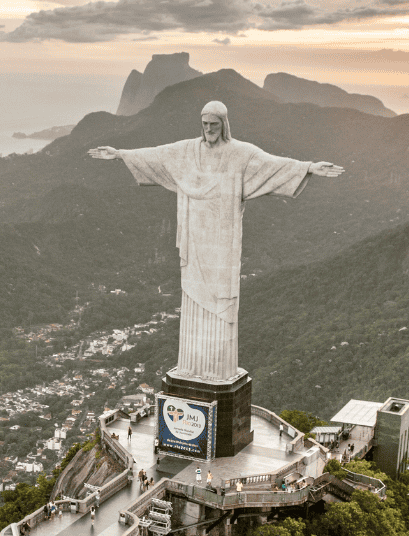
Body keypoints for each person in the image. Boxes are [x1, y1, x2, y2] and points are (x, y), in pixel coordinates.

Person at [90, 104, 343, 382]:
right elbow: (157, 155)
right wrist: (119, 155)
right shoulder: (187, 151)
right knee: (193, 298)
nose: (209, 129)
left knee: (222, 302)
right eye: (205, 124)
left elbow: (272, 164)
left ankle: (218, 371)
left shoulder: (240, 154)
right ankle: (191, 367)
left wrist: (308, 168)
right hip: (194, 240)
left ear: (224, 124)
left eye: (214, 124)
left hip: (221, 245)